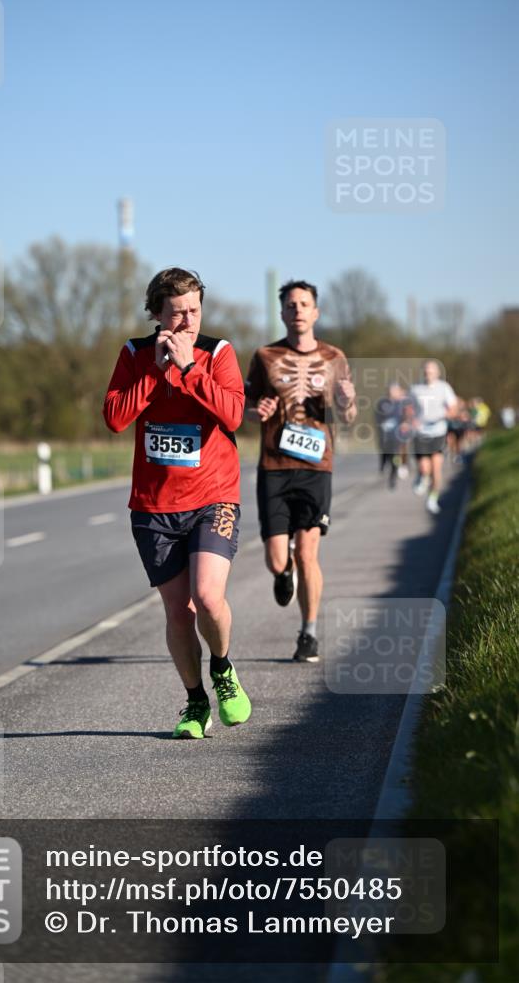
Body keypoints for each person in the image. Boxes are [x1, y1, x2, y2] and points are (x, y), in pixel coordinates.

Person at [103, 267, 251, 739]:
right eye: (177, 312)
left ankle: (223, 670)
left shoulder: (218, 352)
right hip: (153, 506)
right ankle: (194, 702)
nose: (187, 321)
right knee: (177, 611)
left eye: (194, 310)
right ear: (156, 315)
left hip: (213, 496)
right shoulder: (134, 354)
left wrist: (188, 371)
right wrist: (157, 371)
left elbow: (233, 414)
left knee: (208, 596)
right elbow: (114, 418)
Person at [245, 279, 357, 662]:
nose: (297, 310)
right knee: (278, 559)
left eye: (304, 304)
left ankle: (308, 633)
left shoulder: (334, 357)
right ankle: (282, 572)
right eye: (290, 305)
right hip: (274, 465)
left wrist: (346, 402)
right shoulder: (264, 355)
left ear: (315, 312)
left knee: (308, 552)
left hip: (316, 466)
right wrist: (255, 410)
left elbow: (348, 413)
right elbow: (245, 405)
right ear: (282, 313)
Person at [409, 360, 458, 515]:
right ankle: (422, 476)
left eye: (431, 371)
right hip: (421, 433)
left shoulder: (444, 388)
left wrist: (446, 414)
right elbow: (408, 408)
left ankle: (432, 498)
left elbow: (454, 408)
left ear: (437, 373)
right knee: (425, 467)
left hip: (438, 432)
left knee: (436, 470)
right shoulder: (415, 389)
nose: (428, 373)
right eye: (425, 371)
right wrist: (411, 419)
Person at [375, 383, 413, 488]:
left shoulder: (402, 404)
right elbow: (378, 417)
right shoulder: (382, 403)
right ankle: (384, 464)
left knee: (395, 457)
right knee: (386, 454)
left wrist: (405, 423)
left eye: (396, 390)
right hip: (385, 436)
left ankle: (393, 476)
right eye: (391, 390)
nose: (393, 393)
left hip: (397, 436)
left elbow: (408, 415)